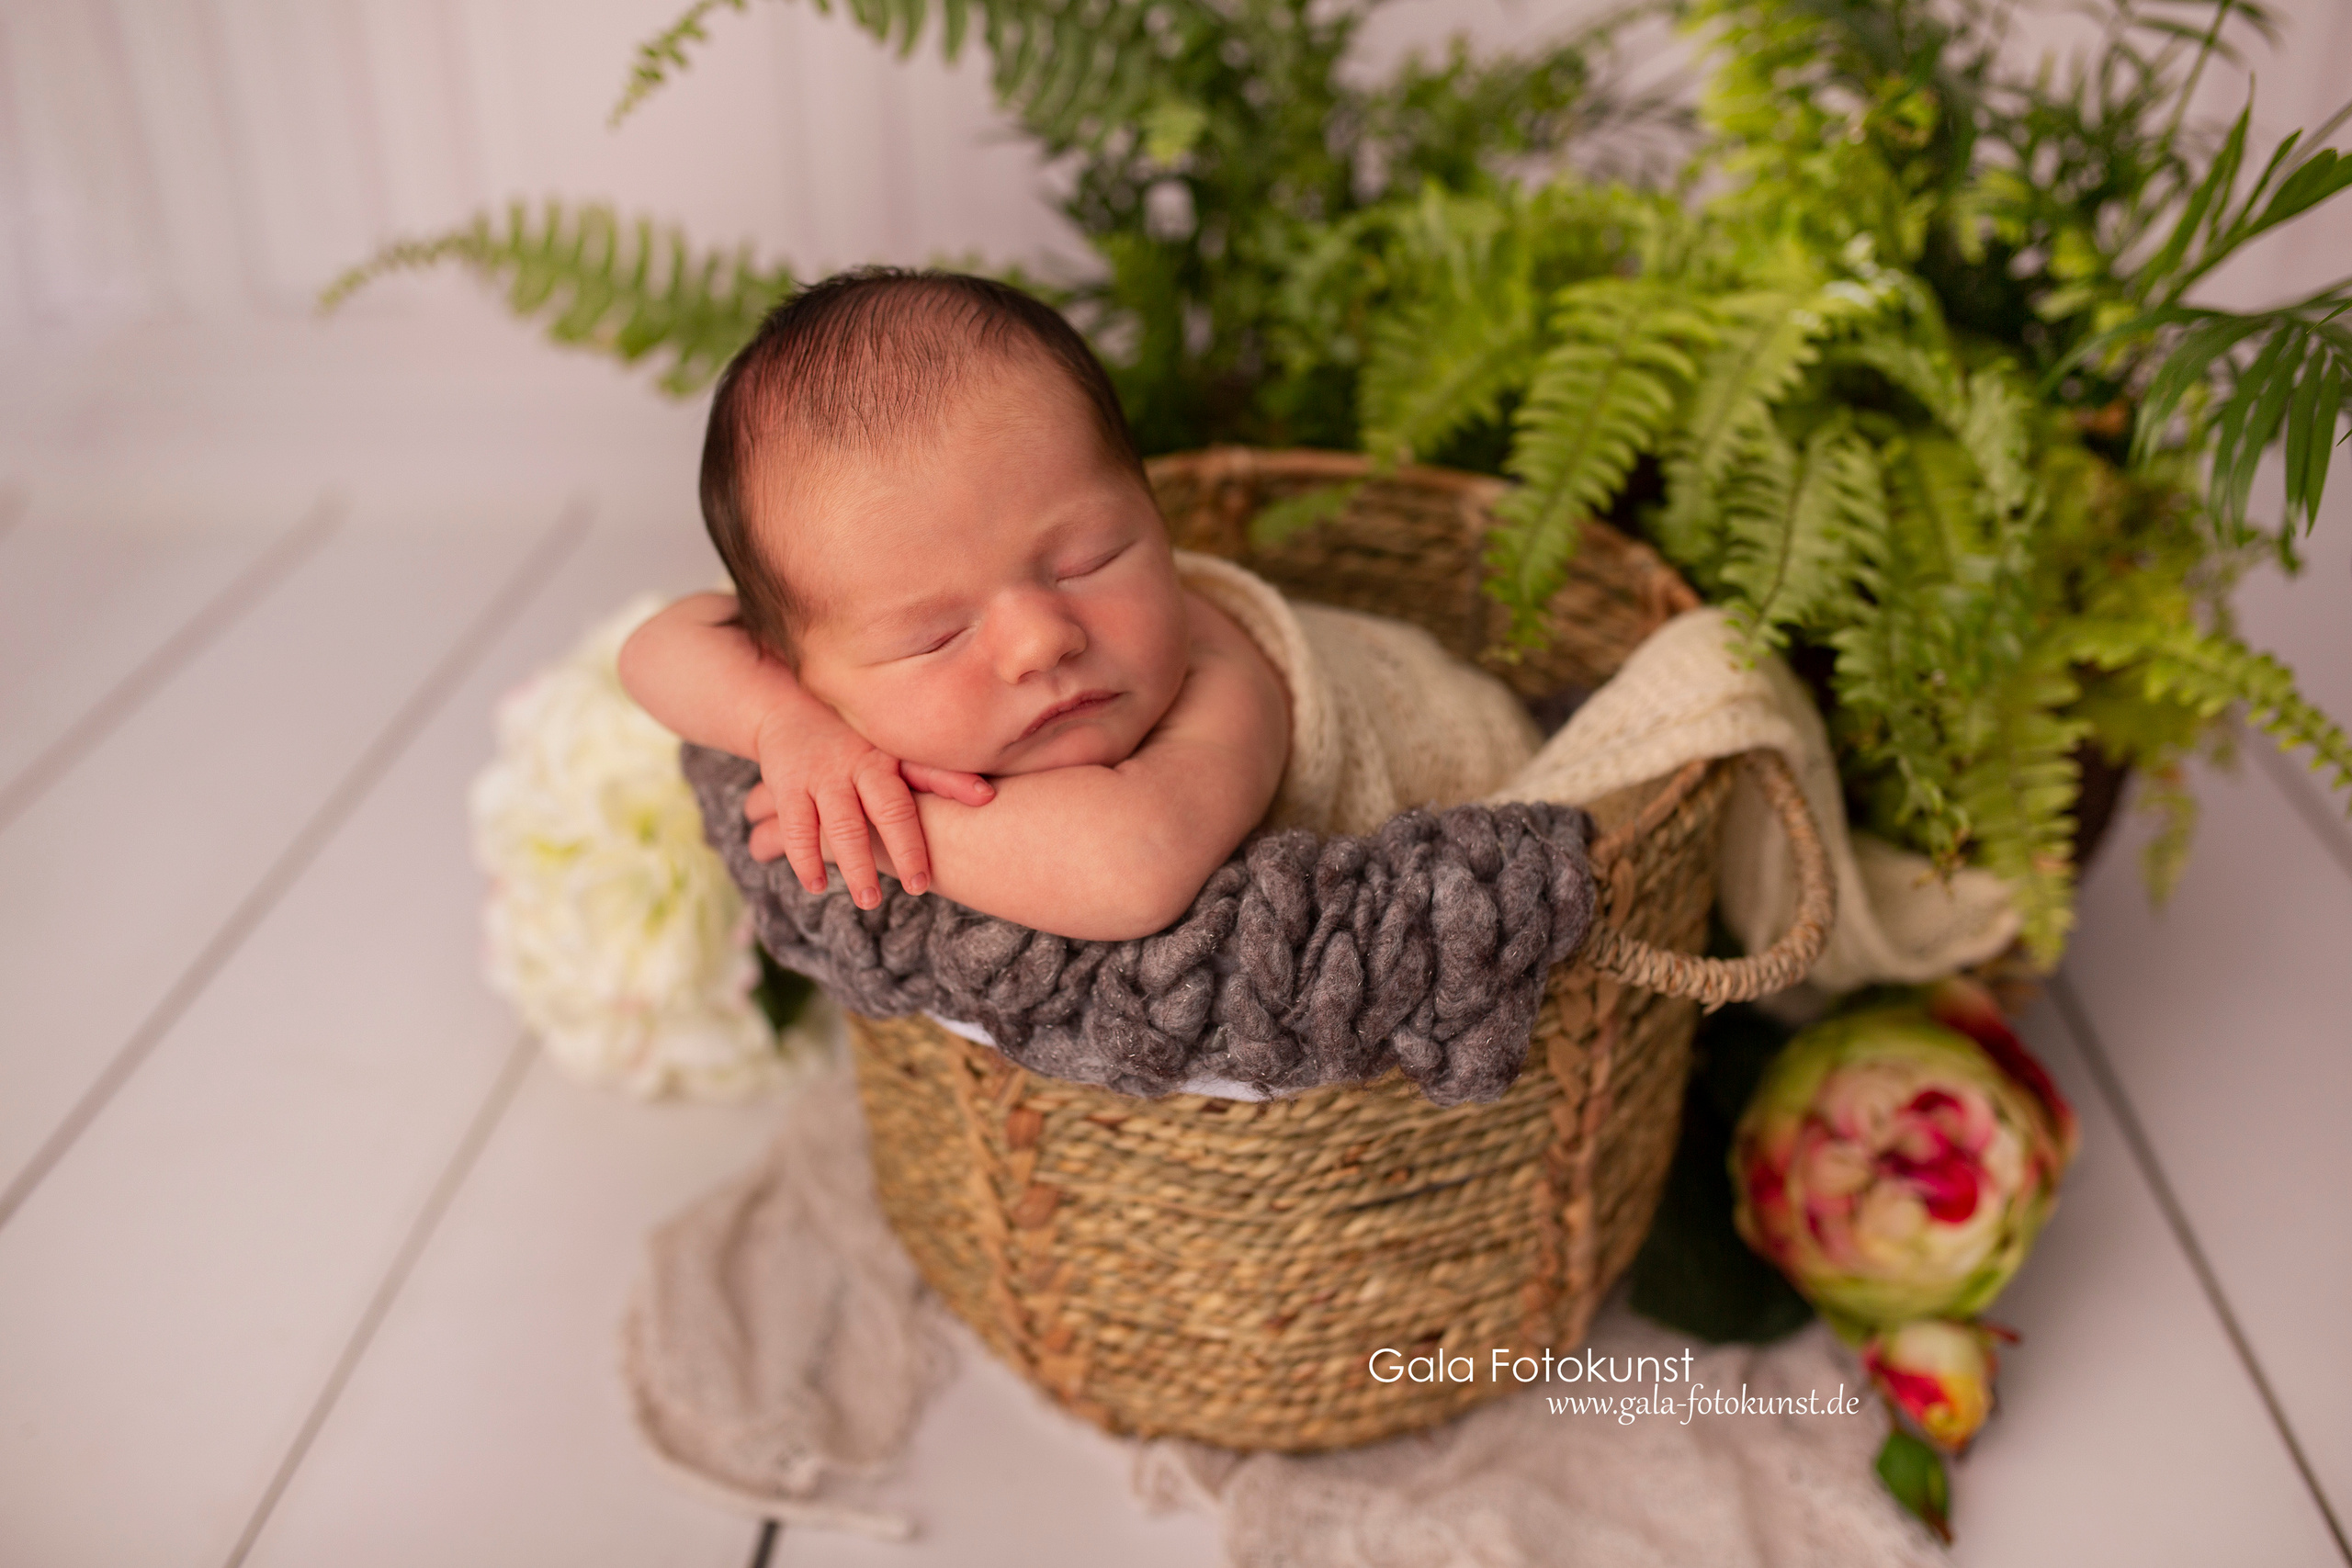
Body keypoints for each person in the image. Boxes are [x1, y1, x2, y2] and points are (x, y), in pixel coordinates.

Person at [620, 267, 1539, 942]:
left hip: (1489, 762)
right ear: (794, 664)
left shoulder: (1220, 679)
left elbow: (1128, 871)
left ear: (1155, 513)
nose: (1039, 640)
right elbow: (656, 649)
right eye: (934, 637)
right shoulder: (809, 677)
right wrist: (790, 731)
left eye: (1087, 560)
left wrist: (889, 816)